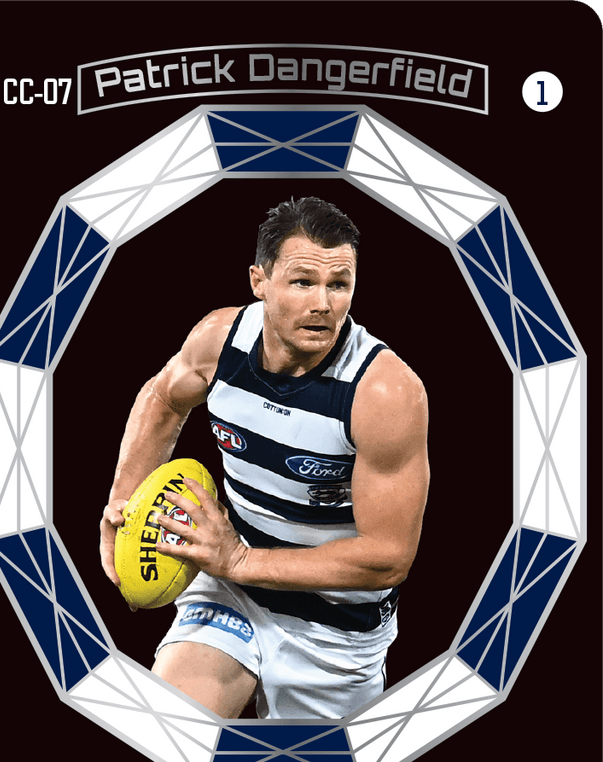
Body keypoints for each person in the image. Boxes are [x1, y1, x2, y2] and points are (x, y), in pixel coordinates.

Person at [99, 197, 429, 720]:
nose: (323, 303)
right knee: (168, 730)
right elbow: (162, 399)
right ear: (260, 281)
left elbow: (389, 556)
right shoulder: (219, 340)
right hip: (231, 590)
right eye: (302, 282)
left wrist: (241, 560)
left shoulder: (383, 392)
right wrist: (123, 503)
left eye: (339, 284)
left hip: (335, 630)